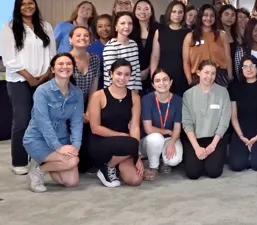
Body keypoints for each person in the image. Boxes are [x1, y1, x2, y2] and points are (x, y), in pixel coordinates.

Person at [1, 0, 56, 175]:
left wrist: (47, 73)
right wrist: (29, 76)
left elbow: (52, 54)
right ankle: (19, 161)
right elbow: (9, 59)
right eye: (23, 4)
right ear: (18, 7)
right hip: (19, 81)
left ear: (35, 4)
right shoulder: (9, 28)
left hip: (44, 79)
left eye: (30, 3)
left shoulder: (45, 26)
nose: (27, 6)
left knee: (41, 120)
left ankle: (39, 158)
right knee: (22, 120)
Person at [22, 53, 84, 192]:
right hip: (38, 138)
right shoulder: (42, 91)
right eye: (60, 64)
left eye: (68, 64)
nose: (65, 67)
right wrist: (58, 147)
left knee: (71, 182)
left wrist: (75, 146)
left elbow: (77, 122)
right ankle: (37, 171)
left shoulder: (77, 93)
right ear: (53, 69)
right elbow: (42, 122)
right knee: (72, 161)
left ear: (73, 68)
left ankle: (43, 163)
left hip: (62, 138)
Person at [87, 59, 144, 188]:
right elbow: (95, 128)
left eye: (126, 74)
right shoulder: (98, 96)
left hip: (125, 147)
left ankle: (111, 166)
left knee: (136, 180)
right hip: (101, 142)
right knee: (130, 142)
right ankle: (106, 167)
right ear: (111, 73)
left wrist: (136, 154)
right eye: (119, 73)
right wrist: (122, 136)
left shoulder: (135, 97)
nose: (122, 78)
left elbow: (135, 126)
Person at [182, 60, 231, 180]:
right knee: (193, 174)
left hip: (215, 138)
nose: (209, 77)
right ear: (198, 73)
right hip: (195, 139)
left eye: (213, 73)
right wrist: (196, 148)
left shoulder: (223, 92)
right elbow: (187, 123)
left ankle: (210, 159)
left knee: (214, 172)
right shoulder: (188, 94)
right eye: (206, 72)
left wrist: (213, 146)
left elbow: (224, 121)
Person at [229, 56, 257, 172]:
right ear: (241, 70)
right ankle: (246, 153)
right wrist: (241, 137)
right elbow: (233, 117)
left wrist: (256, 137)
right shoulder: (235, 88)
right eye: (245, 66)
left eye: (252, 65)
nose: (249, 69)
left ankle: (252, 154)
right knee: (236, 166)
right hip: (241, 132)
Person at [140, 69, 184, 181]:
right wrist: (168, 132)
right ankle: (153, 167)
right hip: (150, 140)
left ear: (171, 82)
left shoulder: (178, 100)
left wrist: (172, 142)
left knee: (174, 160)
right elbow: (148, 129)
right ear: (153, 85)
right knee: (156, 138)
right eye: (158, 80)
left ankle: (164, 162)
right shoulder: (147, 100)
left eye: (165, 80)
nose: (162, 83)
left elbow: (177, 128)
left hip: (170, 138)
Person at [68, 26, 100, 173]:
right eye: (78, 35)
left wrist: (89, 109)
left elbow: (94, 85)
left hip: (88, 101)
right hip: (67, 104)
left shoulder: (94, 59)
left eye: (86, 35)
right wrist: (79, 111)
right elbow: (63, 90)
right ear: (70, 39)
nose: (82, 38)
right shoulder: (65, 59)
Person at [182, 4, 232, 87]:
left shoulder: (221, 35)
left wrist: (229, 77)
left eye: (212, 16)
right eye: (205, 15)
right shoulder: (190, 36)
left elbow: (228, 57)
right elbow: (186, 62)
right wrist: (190, 81)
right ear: (200, 17)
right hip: (198, 77)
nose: (209, 18)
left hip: (219, 76)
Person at [150, 1, 191, 96]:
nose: (177, 15)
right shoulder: (160, 31)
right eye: (174, 11)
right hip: (163, 76)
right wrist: (153, 76)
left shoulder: (189, 32)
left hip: (182, 75)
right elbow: (155, 56)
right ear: (169, 13)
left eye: (180, 12)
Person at [102, 12, 142, 93]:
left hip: (132, 92)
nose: (127, 26)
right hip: (114, 94)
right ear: (116, 27)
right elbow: (112, 76)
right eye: (122, 23)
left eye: (130, 23)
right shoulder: (111, 46)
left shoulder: (133, 44)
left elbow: (136, 72)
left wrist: (135, 93)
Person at [129, 0, 158, 91]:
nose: (142, 11)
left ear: (151, 12)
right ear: (134, 11)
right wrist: (137, 73)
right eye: (139, 8)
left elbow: (158, 54)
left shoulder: (159, 28)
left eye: (146, 9)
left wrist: (148, 70)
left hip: (154, 73)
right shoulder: (130, 29)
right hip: (133, 76)